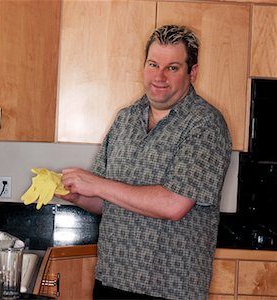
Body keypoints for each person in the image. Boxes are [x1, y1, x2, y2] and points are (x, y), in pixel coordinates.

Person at [59, 25, 232, 300]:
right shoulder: (125, 119)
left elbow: (174, 204)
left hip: (171, 290)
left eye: (172, 68)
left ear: (193, 72)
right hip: (111, 281)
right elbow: (106, 202)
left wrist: (98, 184)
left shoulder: (206, 125)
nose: (159, 77)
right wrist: (77, 194)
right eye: (153, 64)